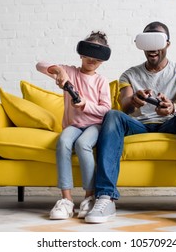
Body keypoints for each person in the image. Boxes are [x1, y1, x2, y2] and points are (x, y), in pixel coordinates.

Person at [84, 22, 176, 227]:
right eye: (147, 40)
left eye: (157, 40)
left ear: (167, 44)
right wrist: (134, 101)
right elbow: (125, 108)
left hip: (169, 122)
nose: (152, 47)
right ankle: (105, 197)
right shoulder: (129, 74)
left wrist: (172, 108)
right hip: (138, 125)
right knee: (113, 115)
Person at [36, 31, 112, 220]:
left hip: (95, 126)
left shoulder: (101, 81)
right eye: (88, 53)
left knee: (82, 144)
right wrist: (59, 71)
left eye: (97, 56)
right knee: (63, 142)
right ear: (81, 53)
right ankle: (66, 201)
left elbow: (106, 111)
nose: (92, 59)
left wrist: (86, 104)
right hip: (74, 125)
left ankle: (89, 198)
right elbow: (39, 65)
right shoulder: (70, 72)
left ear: (103, 59)